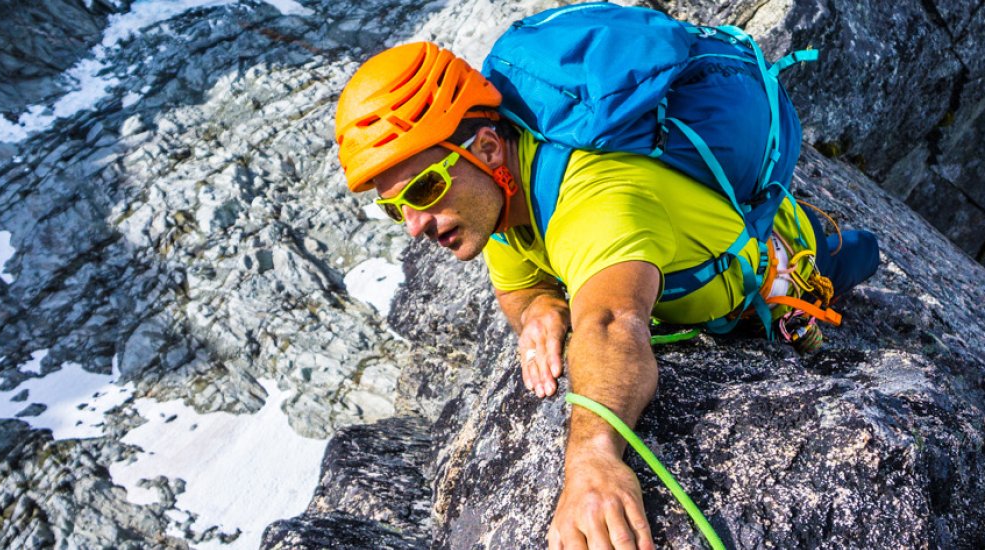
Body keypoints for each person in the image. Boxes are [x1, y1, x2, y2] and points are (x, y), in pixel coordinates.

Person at [334, 41, 879, 550]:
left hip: (782, 266)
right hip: (678, 256)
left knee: (860, 256)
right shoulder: (500, 200)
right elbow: (521, 286)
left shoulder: (594, 202)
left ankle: (836, 242)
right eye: (393, 207)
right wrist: (541, 308)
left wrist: (593, 458)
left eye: (424, 189)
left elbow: (614, 322)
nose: (413, 225)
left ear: (488, 147)